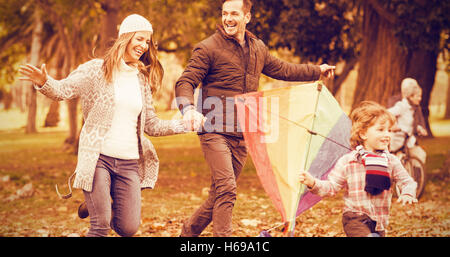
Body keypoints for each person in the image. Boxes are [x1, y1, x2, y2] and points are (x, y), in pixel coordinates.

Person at [19, 14, 191, 237]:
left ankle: (93, 205)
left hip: (129, 164)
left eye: (147, 41)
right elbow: (63, 90)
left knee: (128, 228)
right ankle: (98, 207)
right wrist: (44, 82)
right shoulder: (95, 70)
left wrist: (182, 125)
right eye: (139, 39)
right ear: (125, 37)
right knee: (100, 227)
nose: (143, 46)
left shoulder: (141, 80)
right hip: (98, 159)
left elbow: (150, 124)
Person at [175, 0, 336, 237]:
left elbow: (283, 69)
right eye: (224, 14)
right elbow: (185, 81)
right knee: (227, 189)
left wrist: (316, 71)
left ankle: (188, 233)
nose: (228, 18)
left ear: (247, 17)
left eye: (234, 14)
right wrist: (188, 109)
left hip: (242, 133)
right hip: (214, 130)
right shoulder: (208, 48)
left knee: (219, 194)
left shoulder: (257, 48)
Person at [299, 101, 418, 237]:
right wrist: (312, 182)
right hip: (354, 218)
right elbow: (331, 187)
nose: (387, 135)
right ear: (363, 134)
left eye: (389, 130)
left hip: (379, 221)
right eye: (381, 129)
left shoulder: (391, 161)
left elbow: (407, 181)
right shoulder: (349, 161)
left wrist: (408, 192)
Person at [388, 78, 427, 164]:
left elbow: (418, 122)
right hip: (397, 138)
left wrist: (420, 128)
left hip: (409, 139)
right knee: (397, 160)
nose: (420, 99)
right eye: (418, 96)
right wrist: (393, 124)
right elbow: (388, 113)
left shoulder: (416, 107)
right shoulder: (400, 104)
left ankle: (416, 176)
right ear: (410, 95)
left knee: (420, 155)